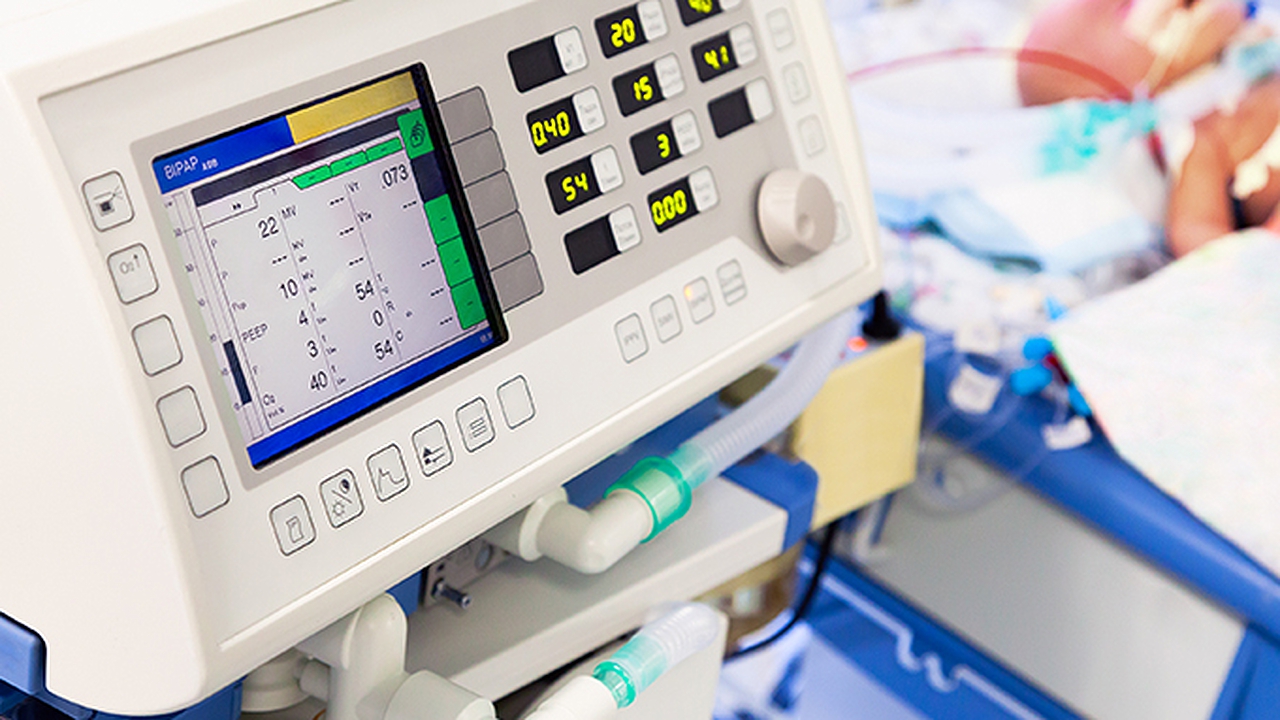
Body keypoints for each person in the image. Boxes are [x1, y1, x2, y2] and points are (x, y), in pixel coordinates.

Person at [1019, 0, 1280, 256]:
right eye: (1128, 6)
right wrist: (1259, 255)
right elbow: (1198, 233)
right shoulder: (1203, 138)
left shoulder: (1259, 33)